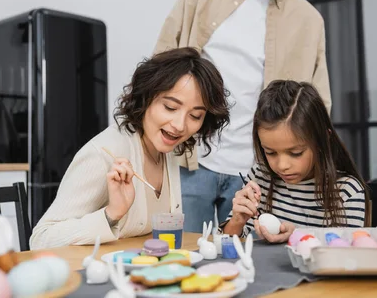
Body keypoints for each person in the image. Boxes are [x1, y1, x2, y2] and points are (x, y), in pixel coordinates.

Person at [154, 0, 331, 232]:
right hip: (189, 163)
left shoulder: (309, 21)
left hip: (258, 175)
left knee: (249, 268)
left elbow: (319, 104)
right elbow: (161, 63)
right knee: (182, 260)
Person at [29, 47, 230, 249]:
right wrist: (111, 215)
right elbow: (41, 239)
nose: (180, 125)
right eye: (170, 107)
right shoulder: (103, 155)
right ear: (146, 97)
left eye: (195, 116)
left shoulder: (165, 149)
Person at [221, 80, 369, 243]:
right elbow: (225, 245)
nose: (282, 166)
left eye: (296, 153)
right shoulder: (260, 177)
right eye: (270, 152)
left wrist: (297, 236)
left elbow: (348, 257)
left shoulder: (346, 191)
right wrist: (237, 221)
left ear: (323, 140)